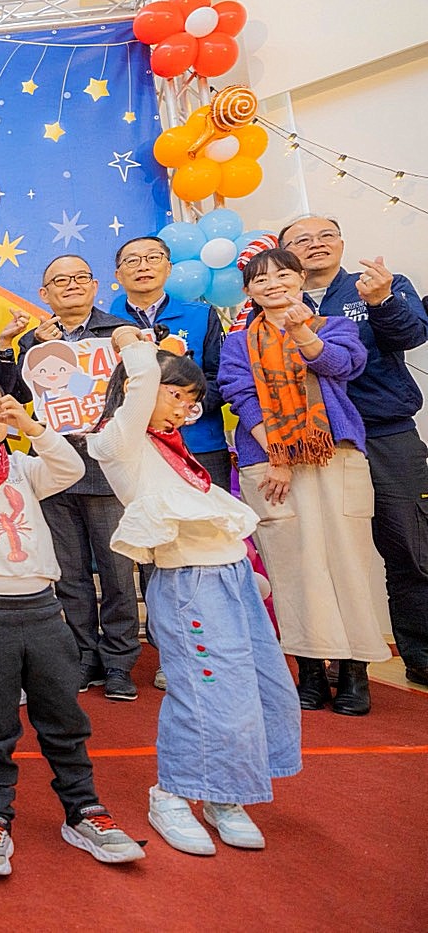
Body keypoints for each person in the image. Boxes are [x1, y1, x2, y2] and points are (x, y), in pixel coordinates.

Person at [0, 374, 145, 876]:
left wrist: (31, 425)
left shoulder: (22, 467)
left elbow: (69, 467)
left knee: (64, 717)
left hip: (44, 609)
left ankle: (84, 810)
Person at [90, 331, 300, 856]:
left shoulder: (176, 450)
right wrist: (133, 343)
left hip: (231, 581)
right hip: (190, 584)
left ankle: (225, 795)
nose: (183, 407)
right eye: (174, 393)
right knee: (206, 693)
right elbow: (141, 380)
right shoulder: (118, 442)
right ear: (137, 389)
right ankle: (172, 793)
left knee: (256, 689)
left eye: (190, 398)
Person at [218, 247, 389, 715]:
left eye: (282, 275)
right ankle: (310, 670)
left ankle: (354, 671)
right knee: (292, 566)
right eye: (260, 279)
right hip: (269, 463)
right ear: (249, 291)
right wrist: (279, 453)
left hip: (335, 454)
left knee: (347, 562)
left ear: (299, 279)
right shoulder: (238, 343)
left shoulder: (334, 326)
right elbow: (240, 395)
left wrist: (300, 333)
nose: (272, 284)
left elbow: (342, 366)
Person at [281, 215, 428, 688]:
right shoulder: (276, 302)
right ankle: (337, 660)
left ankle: (421, 656)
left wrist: (381, 302)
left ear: (342, 244)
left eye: (326, 236)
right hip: (318, 444)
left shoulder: (381, 285)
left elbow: (412, 336)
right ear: (285, 254)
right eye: (302, 240)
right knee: (325, 556)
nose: (316, 244)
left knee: (410, 548)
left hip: (386, 434)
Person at [18, 255, 141, 701]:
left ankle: (120, 661)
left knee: (117, 570)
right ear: (44, 293)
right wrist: (29, 346)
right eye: (59, 281)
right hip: (53, 469)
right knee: (68, 572)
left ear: (94, 286)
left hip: (108, 468)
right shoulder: (33, 343)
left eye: (79, 278)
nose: (70, 285)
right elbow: (14, 394)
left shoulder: (120, 333)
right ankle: (83, 655)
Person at [110, 236, 231, 488]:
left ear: (168, 268)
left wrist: (190, 408)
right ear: (118, 275)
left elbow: (222, 376)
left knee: (211, 513)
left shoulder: (201, 315)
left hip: (199, 445)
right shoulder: (106, 324)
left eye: (153, 258)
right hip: (134, 449)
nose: (143, 266)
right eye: (132, 261)